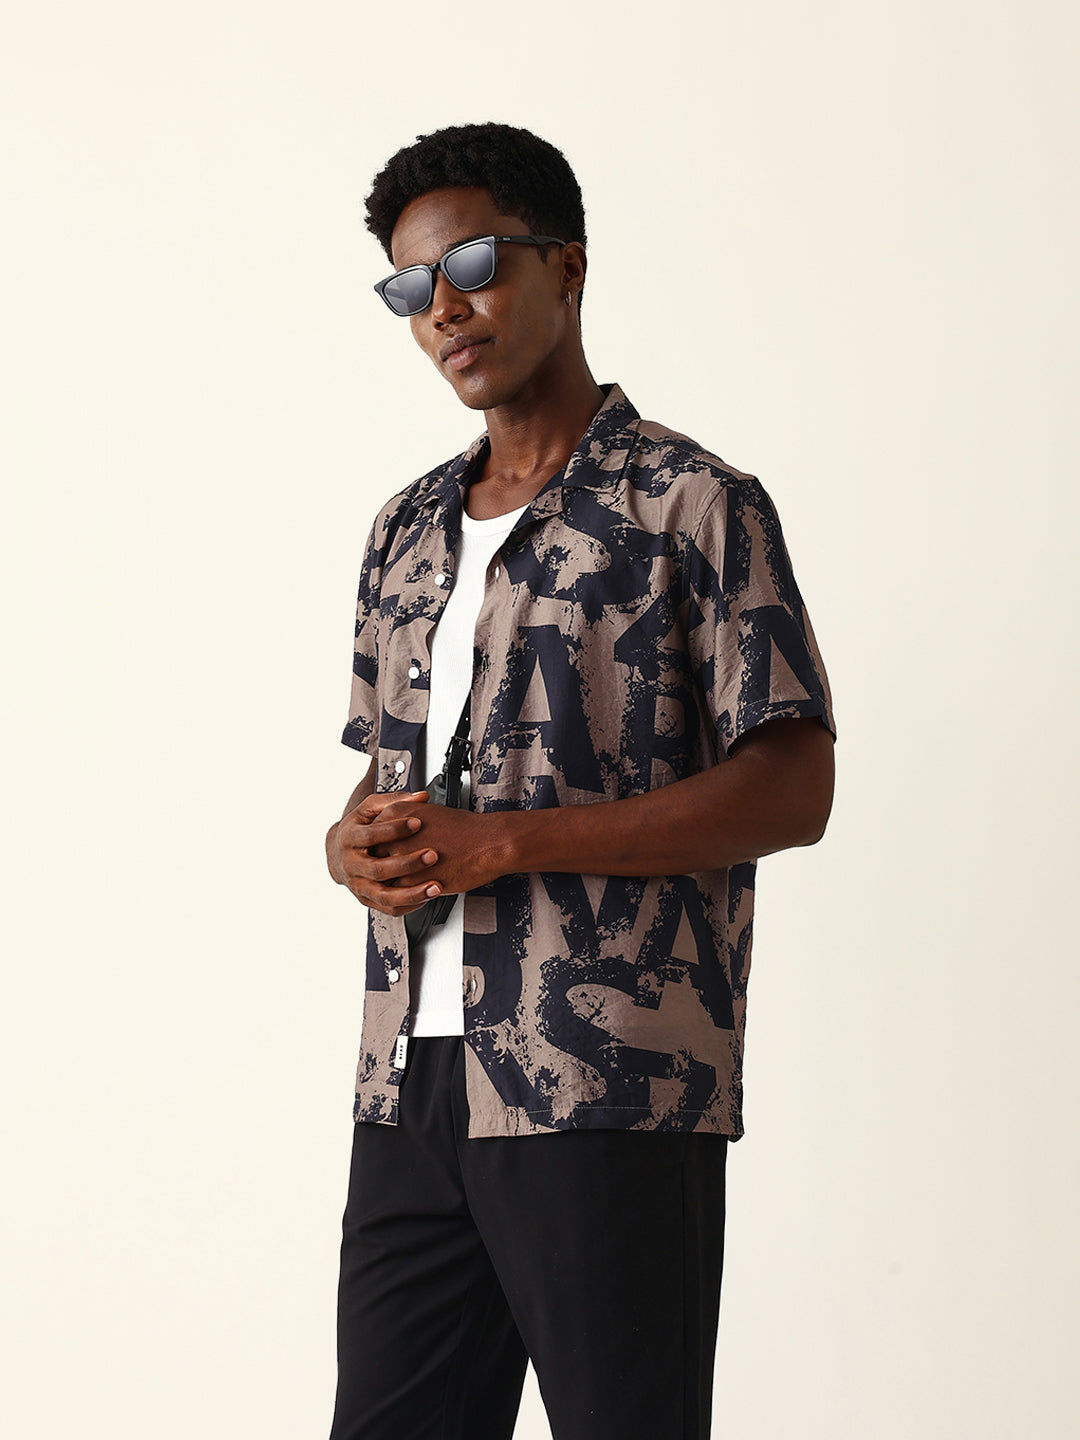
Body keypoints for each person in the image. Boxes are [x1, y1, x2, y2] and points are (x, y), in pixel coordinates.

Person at [323, 121, 836, 1440]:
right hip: (413, 1080)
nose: (444, 310)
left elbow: (793, 789)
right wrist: (350, 848)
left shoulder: (694, 505)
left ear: (569, 264)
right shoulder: (404, 532)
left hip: (607, 1078)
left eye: (474, 264)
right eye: (411, 286)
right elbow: (384, 778)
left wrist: (508, 843)